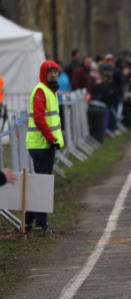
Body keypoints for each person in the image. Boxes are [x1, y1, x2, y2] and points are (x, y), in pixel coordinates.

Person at [25, 60, 65, 233]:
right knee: (43, 185)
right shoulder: (41, 91)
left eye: (56, 71)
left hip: (46, 145)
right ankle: (41, 224)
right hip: (41, 145)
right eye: (50, 72)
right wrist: (51, 138)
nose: (54, 75)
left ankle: (29, 221)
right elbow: (40, 119)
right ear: (44, 74)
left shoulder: (51, 91)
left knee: (42, 183)